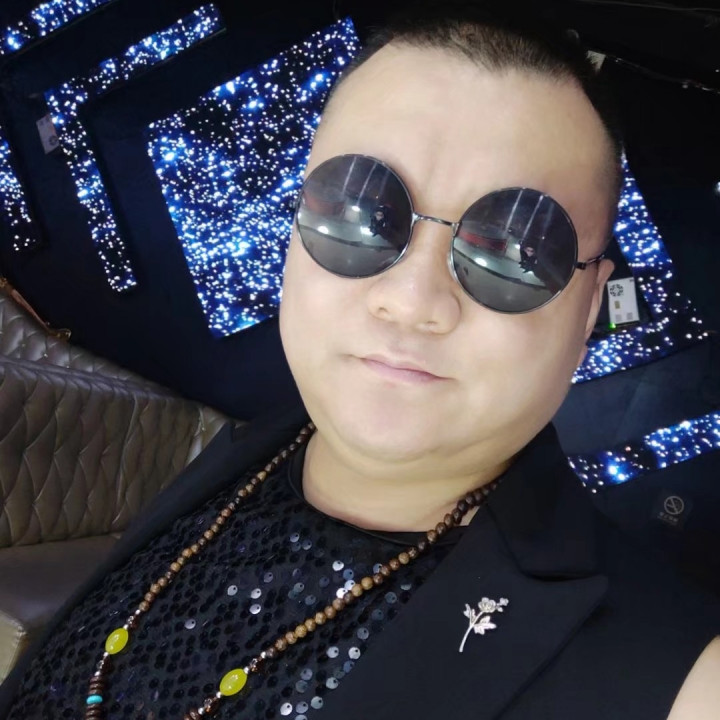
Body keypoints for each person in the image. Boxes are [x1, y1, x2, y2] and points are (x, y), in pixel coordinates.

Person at [2, 3, 719, 719]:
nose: (411, 300)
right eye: (358, 210)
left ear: (589, 307)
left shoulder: (679, 680)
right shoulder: (244, 453)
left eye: (514, 252)